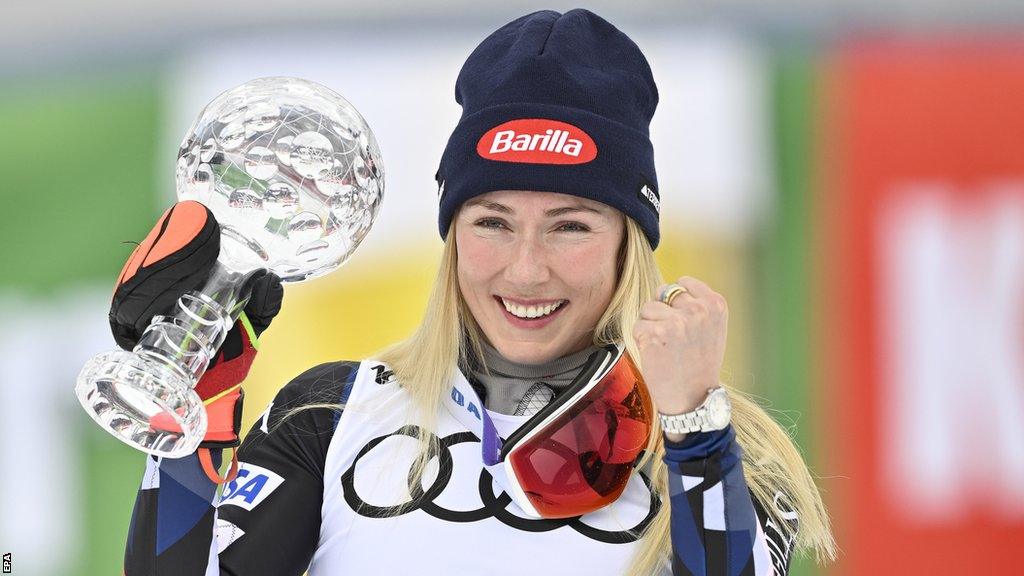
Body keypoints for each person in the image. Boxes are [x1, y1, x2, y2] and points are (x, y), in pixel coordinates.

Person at [116, 9, 835, 575]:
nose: (525, 270)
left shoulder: (726, 455)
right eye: (492, 221)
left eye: (570, 227)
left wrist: (693, 426)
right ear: (452, 233)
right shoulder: (330, 416)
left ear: (631, 242)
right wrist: (193, 414)